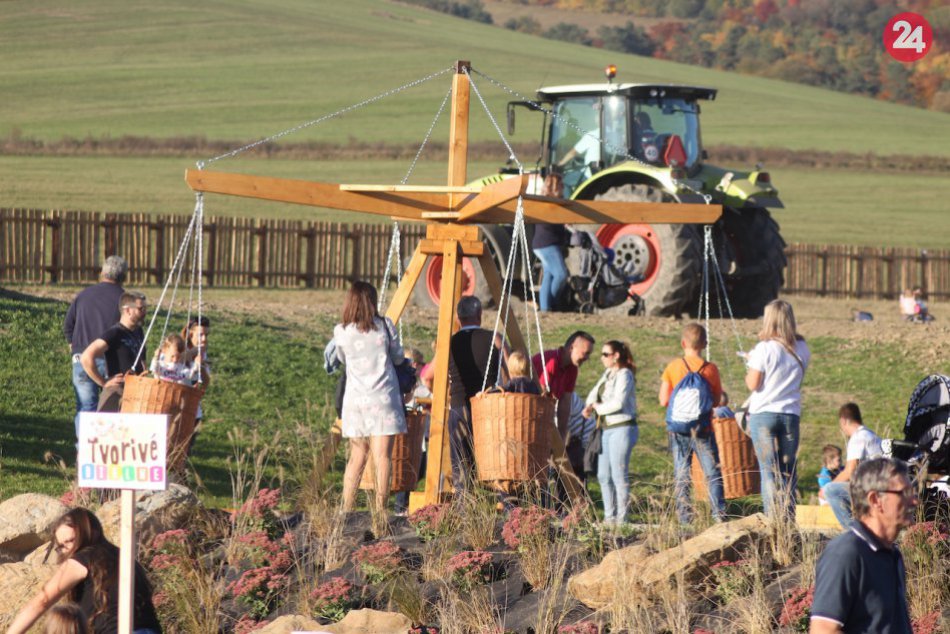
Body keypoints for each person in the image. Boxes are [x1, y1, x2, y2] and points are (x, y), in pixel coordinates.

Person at [6, 508, 162, 634]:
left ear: (90, 532)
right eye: (61, 546)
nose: (67, 550)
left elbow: (42, 601)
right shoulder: (124, 557)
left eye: (70, 541)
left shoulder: (83, 558)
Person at [810, 457, 916, 634]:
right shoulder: (845, 553)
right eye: (904, 493)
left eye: (913, 492)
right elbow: (823, 630)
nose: (914, 501)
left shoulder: (893, 554)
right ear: (875, 500)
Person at [334, 281, 408, 515]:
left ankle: (345, 510)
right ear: (373, 301)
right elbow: (397, 358)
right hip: (384, 399)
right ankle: (380, 510)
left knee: (357, 457)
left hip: (356, 402)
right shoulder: (385, 326)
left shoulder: (341, 332)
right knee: (383, 457)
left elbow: (342, 359)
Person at [744, 299, 810, 520]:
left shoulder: (764, 349)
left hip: (764, 414)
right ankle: (788, 519)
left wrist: (749, 364)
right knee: (788, 472)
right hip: (790, 414)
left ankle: (773, 521)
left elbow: (753, 384)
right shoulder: (802, 348)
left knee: (768, 472)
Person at [658, 323, 726, 524]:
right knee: (712, 473)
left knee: (681, 473)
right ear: (704, 344)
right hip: (703, 429)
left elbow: (663, 400)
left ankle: (685, 519)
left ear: (683, 343)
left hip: (678, 430)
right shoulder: (711, 369)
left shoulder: (673, 367)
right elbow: (716, 401)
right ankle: (718, 515)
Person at [63, 255, 128, 437]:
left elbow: (68, 326)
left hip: (81, 360)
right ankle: (105, 448)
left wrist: (73, 346)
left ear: (102, 273)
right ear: (124, 276)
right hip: (111, 361)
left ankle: (83, 452)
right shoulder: (123, 301)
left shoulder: (83, 295)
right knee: (112, 409)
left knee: (85, 408)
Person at [447, 296, 506, 491]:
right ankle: (506, 506)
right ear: (479, 315)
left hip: (459, 406)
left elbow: (429, 376)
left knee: (461, 465)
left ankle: (464, 510)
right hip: (488, 407)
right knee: (495, 462)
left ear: (458, 318)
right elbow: (511, 370)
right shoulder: (494, 338)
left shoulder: (450, 343)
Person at [584, 340, 638, 526]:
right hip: (606, 429)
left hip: (622, 427)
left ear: (616, 356)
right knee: (603, 475)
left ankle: (622, 518)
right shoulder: (608, 373)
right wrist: (591, 405)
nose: (602, 358)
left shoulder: (625, 375)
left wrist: (598, 408)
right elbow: (593, 393)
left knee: (618, 474)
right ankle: (609, 517)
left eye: (605, 354)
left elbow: (618, 403)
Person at [79, 291, 148, 413]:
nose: (144, 312)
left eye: (145, 308)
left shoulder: (138, 332)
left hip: (135, 393)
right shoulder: (115, 333)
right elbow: (86, 357)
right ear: (127, 310)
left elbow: (142, 361)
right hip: (117, 393)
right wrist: (104, 382)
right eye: (140, 308)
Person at [821, 403, 883, 528]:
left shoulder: (858, 437)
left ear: (843, 421)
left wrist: (824, 489)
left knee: (830, 490)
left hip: (874, 490)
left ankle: (854, 532)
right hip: (880, 486)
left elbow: (850, 470)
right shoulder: (871, 435)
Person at [531, 174, 571, 312]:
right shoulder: (549, 203)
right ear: (554, 187)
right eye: (561, 185)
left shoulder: (547, 202)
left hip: (541, 244)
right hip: (547, 243)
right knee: (561, 274)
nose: (563, 187)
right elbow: (548, 225)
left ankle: (545, 308)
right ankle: (552, 303)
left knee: (548, 274)